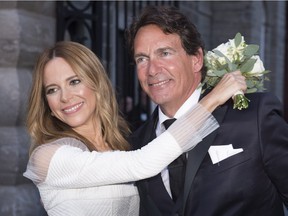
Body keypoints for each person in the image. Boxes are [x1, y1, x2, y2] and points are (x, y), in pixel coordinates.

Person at [23, 41, 246, 216]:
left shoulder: (123, 144)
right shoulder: (48, 157)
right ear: (47, 105)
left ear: (97, 84)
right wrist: (212, 100)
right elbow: (144, 163)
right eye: (52, 90)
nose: (65, 97)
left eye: (74, 82)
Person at [126, 5, 288, 216]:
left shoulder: (254, 118)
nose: (152, 70)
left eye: (164, 53)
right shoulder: (135, 145)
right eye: (142, 59)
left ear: (196, 60)